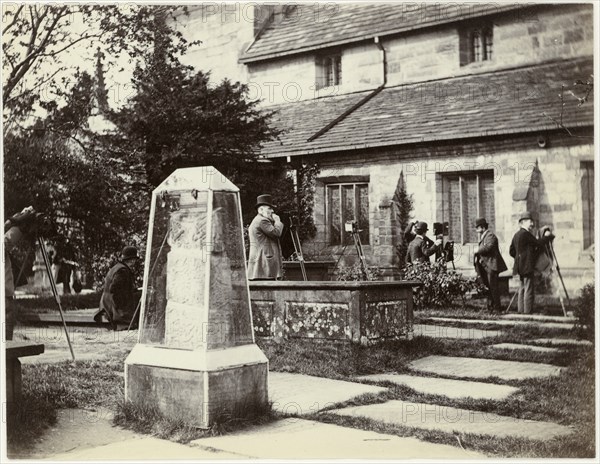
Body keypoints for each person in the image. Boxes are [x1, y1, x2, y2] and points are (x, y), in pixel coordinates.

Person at [4, 207, 40, 340]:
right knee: (6, 344)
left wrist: (18, 217)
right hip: (4, 299)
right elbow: (5, 243)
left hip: (6, 298)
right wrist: (20, 227)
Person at [509, 212, 554, 314]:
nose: (532, 224)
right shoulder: (526, 234)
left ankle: (521, 311)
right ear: (523, 222)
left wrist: (519, 258)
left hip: (519, 267)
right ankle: (527, 312)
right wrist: (547, 237)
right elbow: (538, 243)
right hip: (527, 266)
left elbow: (511, 251)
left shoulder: (516, 235)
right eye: (530, 221)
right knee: (529, 289)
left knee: (522, 288)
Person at [94, 246, 141, 330]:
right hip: (112, 306)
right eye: (133, 260)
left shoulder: (117, 267)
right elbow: (115, 290)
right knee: (139, 297)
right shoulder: (122, 271)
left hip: (107, 303)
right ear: (132, 260)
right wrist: (123, 308)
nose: (134, 262)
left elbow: (121, 288)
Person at [473, 217, 507, 312]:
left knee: (493, 287)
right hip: (486, 266)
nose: (476, 230)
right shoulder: (484, 236)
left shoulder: (490, 236)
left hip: (492, 265)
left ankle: (497, 308)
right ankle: (490, 307)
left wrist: (477, 250)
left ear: (483, 227)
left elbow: (488, 248)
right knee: (488, 287)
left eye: (478, 227)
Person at [247, 194, 284, 280]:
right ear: (261, 210)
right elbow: (276, 233)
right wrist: (277, 221)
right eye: (269, 208)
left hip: (260, 262)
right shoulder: (262, 221)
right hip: (264, 262)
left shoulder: (257, 220)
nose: (272, 211)